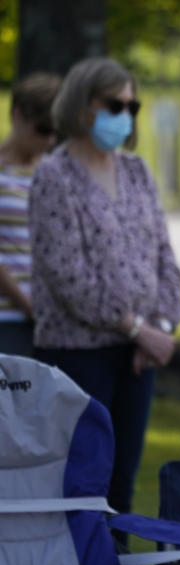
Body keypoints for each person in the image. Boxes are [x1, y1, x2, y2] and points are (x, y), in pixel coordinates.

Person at [29, 57, 180, 516]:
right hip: (79, 353)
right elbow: (67, 276)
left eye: (132, 107)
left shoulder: (136, 172)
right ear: (81, 105)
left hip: (137, 357)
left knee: (121, 488)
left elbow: (164, 260)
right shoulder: (54, 177)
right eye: (114, 104)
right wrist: (137, 329)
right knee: (81, 486)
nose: (124, 115)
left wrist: (157, 326)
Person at [0, 73, 60, 356]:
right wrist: (29, 306)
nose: (50, 140)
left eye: (55, 131)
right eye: (43, 129)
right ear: (18, 115)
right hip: (8, 318)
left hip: (53, 319)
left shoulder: (54, 171)